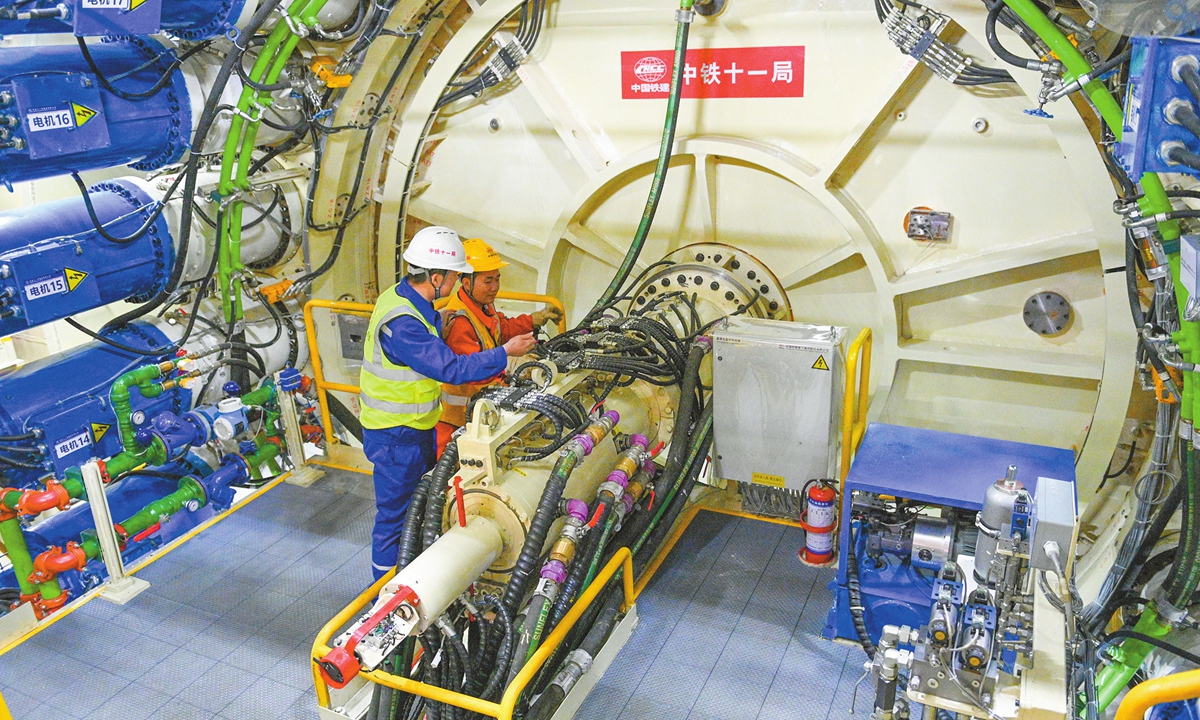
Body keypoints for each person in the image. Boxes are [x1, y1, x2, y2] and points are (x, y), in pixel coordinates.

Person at [359, 226, 537, 580]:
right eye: (456, 276)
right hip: (395, 434)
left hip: (416, 428)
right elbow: (452, 368)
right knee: (395, 518)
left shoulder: (407, 299)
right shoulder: (404, 323)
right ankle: (383, 592)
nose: (457, 283)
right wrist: (506, 353)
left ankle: (418, 574)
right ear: (436, 277)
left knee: (420, 505)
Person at [435, 239, 564, 454]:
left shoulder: (482, 305)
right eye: (488, 281)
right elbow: (472, 371)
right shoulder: (459, 321)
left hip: (479, 411)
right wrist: (512, 367)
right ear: (466, 283)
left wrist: (534, 319)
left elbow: (499, 329)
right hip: (457, 422)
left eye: (497, 279)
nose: (494, 287)